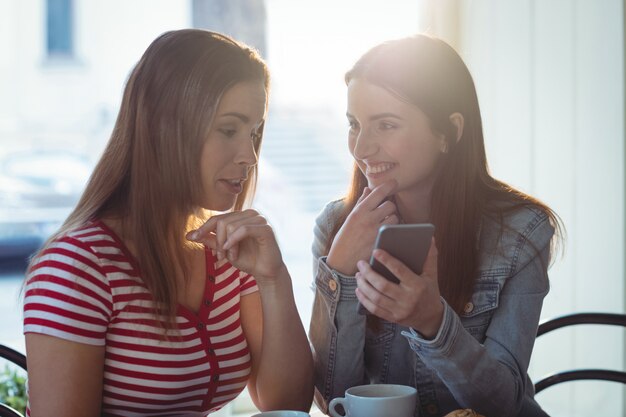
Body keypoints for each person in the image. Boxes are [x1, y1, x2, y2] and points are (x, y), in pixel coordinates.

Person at [23, 29, 313, 417]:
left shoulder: (229, 253)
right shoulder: (76, 268)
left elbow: (286, 405)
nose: (249, 156)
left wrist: (274, 280)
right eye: (229, 130)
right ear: (165, 126)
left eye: (254, 133)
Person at [309, 34, 562, 417]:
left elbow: (504, 403)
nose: (361, 149)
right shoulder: (336, 227)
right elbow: (334, 401)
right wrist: (340, 276)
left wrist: (433, 322)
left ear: (449, 132)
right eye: (354, 124)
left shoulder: (520, 232)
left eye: (386, 125)